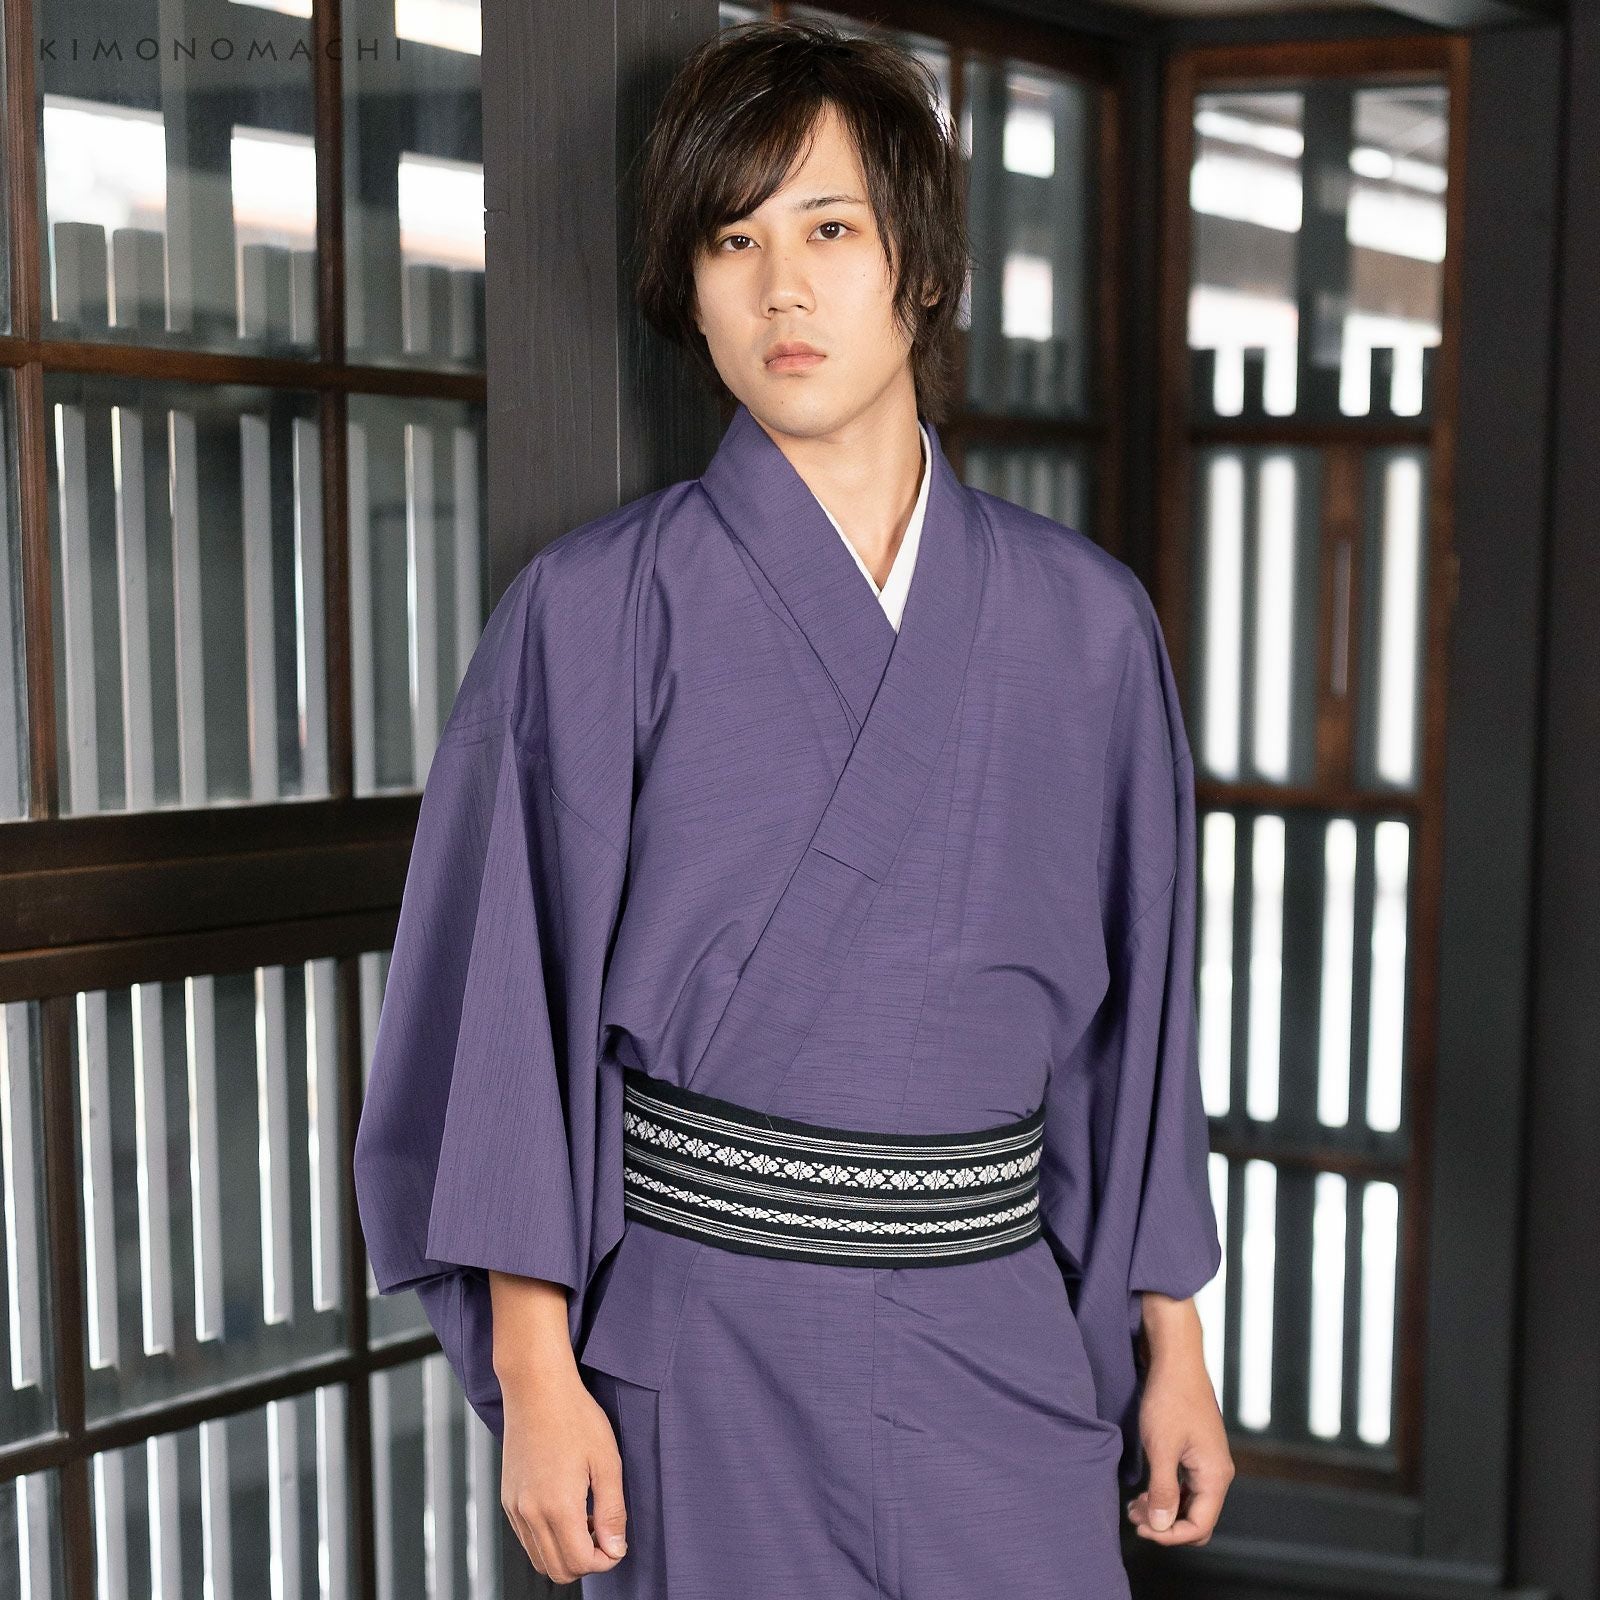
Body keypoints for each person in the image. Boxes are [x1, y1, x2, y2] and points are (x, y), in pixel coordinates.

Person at [353, 17, 1232, 1596]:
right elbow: (502, 1018)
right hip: (701, 1356)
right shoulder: (590, 614)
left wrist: (1175, 1341)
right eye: (732, 239)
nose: (781, 289)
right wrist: (539, 1379)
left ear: (921, 267)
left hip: (999, 1343)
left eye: (831, 230)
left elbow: (1142, 1028)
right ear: (686, 287)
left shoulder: (1089, 627)